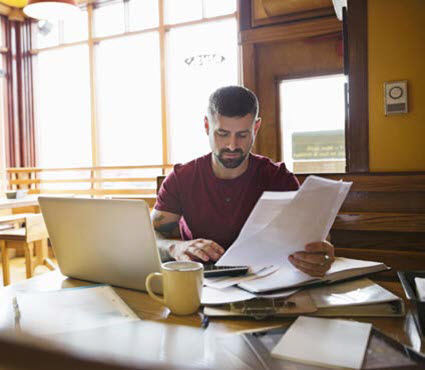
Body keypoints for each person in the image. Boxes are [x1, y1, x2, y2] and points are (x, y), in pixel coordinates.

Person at [152, 86, 334, 277]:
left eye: (242, 135)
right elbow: (151, 238)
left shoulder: (277, 178)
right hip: (202, 282)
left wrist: (319, 253)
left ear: (256, 127)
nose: (232, 145)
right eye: (222, 134)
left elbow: (313, 235)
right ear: (207, 126)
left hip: (267, 280)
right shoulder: (183, 178)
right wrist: (174, 247)